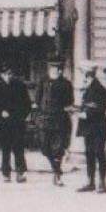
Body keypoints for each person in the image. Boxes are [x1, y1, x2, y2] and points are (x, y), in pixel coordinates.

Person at [35, 56, 75, 185]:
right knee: (45, 148)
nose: (56, 70)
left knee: (58, 149)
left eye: (59, 68)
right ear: (50, 68)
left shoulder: (66, 84)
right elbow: (37, 99)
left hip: (59, 120)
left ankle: (57, 174)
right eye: (54, 68)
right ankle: (56, 170)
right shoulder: (43, 82)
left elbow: (70, 101)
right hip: (44, 120)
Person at [74, 62, 106, 193]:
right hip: (89, 127)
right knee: (89, 154)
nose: (82, 77)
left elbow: (103, 106)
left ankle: (102, 183)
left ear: (88, 74)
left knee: (99, 153)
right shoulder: (88, 86)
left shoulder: (98, 88)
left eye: (83, 73)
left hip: (98, 127)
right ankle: (90, 182)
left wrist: (86, 114)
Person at [0, 62, 31, 183]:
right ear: (1, 75)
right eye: (5, 74)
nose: (8, 76)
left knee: (18, 148)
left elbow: (27, 105)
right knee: (5, 149)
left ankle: (20, 173)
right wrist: (0, 112)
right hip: (4, 123)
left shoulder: (20, 86)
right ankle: (6, 173)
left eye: (10, 73)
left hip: (17, 123)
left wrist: (21, 116)